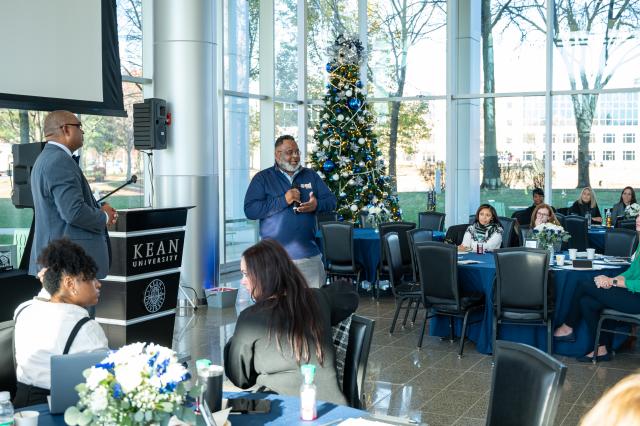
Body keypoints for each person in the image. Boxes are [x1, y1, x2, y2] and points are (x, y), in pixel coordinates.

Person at [224, 239, 358, 405]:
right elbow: (349, 294)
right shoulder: (318, 299)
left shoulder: (250, 319)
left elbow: (240, 378)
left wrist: (234, 340)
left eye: (246, 274)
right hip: (331, 406)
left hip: (281, 409)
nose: (242, 281)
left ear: (264, 275)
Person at [13, 239, 109, 408]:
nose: (98, 284)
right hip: (59, 410)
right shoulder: (86, 328)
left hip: (20, 406)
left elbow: (48, 296)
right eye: (91, 278)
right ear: (70, 284)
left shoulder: (23, 310)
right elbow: (103, 380)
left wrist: (51, 283)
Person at [29, 110, 117, 279]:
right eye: (79, 126)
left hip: (60, 261)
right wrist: (104, 217)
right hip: (69, 264)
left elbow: (60, 208)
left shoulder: (45, 158)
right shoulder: (59, 161)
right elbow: (73, 212)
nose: (83, 131)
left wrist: (98, 208)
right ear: (66, 129)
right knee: (76, 308)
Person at [244, 135, 337, 288]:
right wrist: (284, 200)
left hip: (308, 258)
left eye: (297, 152)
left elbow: (332, 202)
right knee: (277, 309)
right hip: (273, 260)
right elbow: (251, 210)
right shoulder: (262, 178)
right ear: (277, 154)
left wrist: (316, 204)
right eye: (289, 152)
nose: (295, 156)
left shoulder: (311, 176)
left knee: (312, 308)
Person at [553, 215, 640, 362]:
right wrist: (615, 279)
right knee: (586, 302)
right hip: (631, 293)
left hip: (637, 299)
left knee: (584, 284)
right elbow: (631, 272)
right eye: (639, 215)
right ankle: (601, 347)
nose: (638, 218)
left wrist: (612, 282)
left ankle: (568, 326)